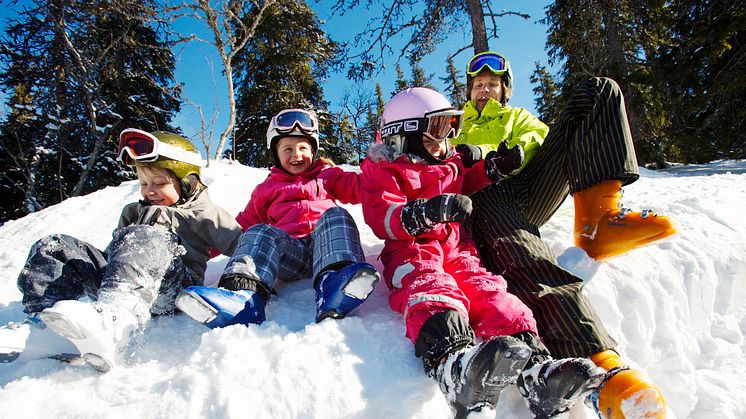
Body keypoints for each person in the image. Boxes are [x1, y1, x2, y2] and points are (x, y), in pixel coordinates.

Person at [360, 87, 606, 418]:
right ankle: (453, 364)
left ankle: (537, 370)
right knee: (431, 289)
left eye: (450, 129)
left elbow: (467, 178)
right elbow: (381, 215)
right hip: (413, 251)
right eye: (435, 131)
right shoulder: (384, 171)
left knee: (490, 292)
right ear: (402, 135)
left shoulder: (447, 161)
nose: (444, 140)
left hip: (459, 249)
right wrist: (423, 213)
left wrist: (494, 169)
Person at [452, 51, 674, 418]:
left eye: (492, 84)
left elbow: (539, 139)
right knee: (521, 252)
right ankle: (604, 372)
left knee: (597, 92)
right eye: (478, 85)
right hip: (486, 195)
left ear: (505, 90)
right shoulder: (457, 123)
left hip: (527, 183)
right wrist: (473, 159)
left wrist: (511, 153)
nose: (484, 90)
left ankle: (600, 219)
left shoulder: (517, 117)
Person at [0, 129, 243, 372]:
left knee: (144, 238)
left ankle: (115, 325)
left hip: (172, 286)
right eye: (144, 183)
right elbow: (119, 256)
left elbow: (241, 246)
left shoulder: (205, 215)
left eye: (159, 183)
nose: (149, 190)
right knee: (54, 246)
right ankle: (45, 328)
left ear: (189, 183)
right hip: (122, 282)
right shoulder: (132, 212)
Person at [175, 108, 380, 328]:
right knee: (259, 231)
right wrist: (201, 246)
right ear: (276, 153)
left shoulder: (329, 176)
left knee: (336, 215)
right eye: (288, 149)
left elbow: (367, 187)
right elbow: (238, 228)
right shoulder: (267, 189)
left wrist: (380, 160)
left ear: (314, 150)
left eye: (303, 147)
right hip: (293, 255)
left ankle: (337, 286)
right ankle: (243, 298)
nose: (297, 154)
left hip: (330, 248)